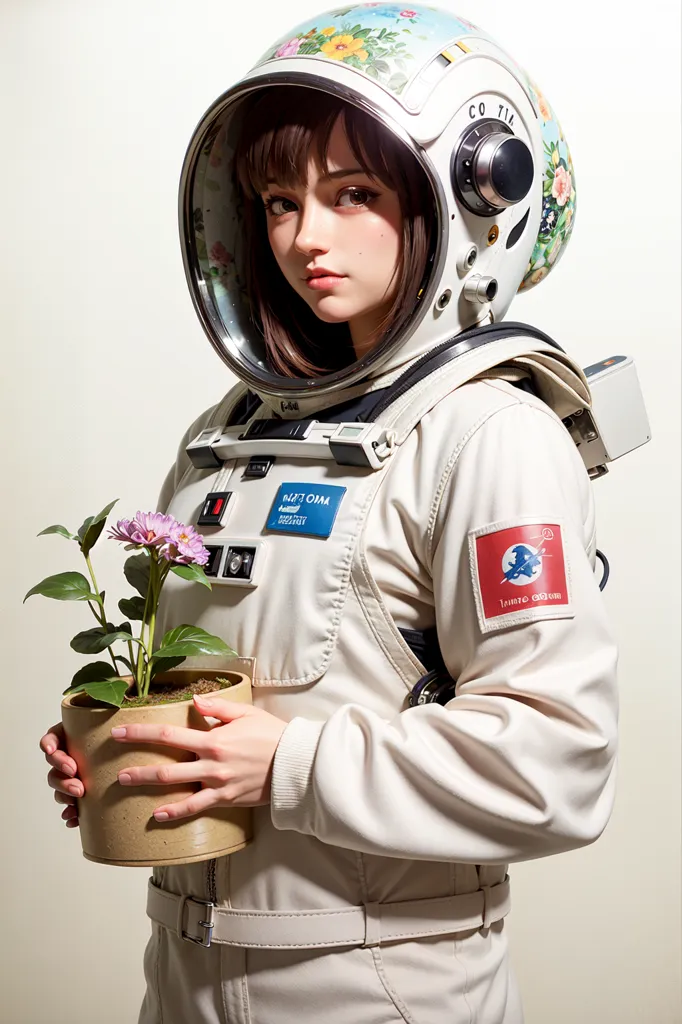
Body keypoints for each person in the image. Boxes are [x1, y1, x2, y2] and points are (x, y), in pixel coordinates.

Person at [40, 5, 618, 1022]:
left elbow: (557, 762)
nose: (304, 237)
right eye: (275, 200)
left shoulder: (488, 438)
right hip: (178, 984)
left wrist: (288, 763)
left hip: (373, 993)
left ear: (470, 204)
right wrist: (133, 755)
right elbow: (224, 703)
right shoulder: (226, 437)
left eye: (352, 195)